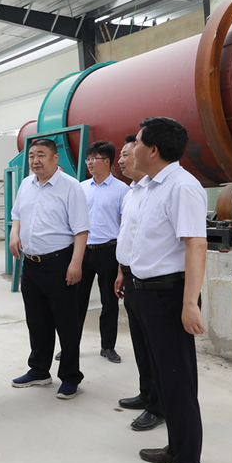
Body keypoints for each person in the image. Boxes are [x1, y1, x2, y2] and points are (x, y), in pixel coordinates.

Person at [130, 117, 207, 463]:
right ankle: (177, 449)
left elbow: (196, 245)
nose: (132, 148)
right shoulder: (151, 186)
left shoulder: (182, 187)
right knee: (164, 377)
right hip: (147, 292)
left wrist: (189, 303)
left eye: (137, 142)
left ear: (153, 150)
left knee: (179, 383)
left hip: (170, 295)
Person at [9, 138, 89, 400]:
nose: (35, 160)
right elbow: (17, 214)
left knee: (66, 324)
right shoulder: (26, 184)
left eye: (41, 155)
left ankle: (70, 377)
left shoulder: (71, 187)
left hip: (60, 263)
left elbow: (81, 229)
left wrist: (76, 263)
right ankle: (39, 370)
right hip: (31, 264)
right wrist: (14, 233)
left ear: (56, 158)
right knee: (37, 321)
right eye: (32, 155)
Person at [114, 135, 165, 431]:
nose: (121, 160)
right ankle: (146, 394)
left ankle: (158, 406)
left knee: (153, 344)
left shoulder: (152, 191)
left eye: (126, 154)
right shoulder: (131, 192)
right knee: (139, 341)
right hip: (131, 275)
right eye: (120, 155)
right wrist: (122, 271)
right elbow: (128, 237)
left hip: (149, 278)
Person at [75, 141, 128, 364]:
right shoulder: (81, 188)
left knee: (109, 301)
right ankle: (71, 346)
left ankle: (108, 346)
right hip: (83, 251)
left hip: (109, 251)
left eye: (94, 158)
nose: (89, 163)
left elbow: (125, 227)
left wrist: (121, 265)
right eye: (88, 159)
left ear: (107, 161)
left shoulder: (122, 190)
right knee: (76, 302)